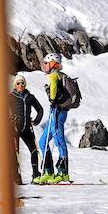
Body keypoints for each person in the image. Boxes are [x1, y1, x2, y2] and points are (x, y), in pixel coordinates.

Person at [39, 53, 73, 182]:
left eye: (46, 63)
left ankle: (63, 172)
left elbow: (53, 87)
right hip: (56, 112)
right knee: (43, 142)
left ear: (53, 63)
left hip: (58, 111)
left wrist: (52, 100)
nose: (45, 66)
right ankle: (49, 171)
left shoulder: (54, 75)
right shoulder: (57, 75)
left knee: (59, 140)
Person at [9, 75, 44, 185]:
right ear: (15, 85)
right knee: (15, 152)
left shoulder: (30, 97)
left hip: (27, 127)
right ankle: (15, 177)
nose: (21, 85)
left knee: (34, 150)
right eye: (18, 83)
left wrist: (36, 121)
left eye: (22, 83)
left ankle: (36, 175)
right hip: (15, 127)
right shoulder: (11, 96)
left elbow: (40, 109)